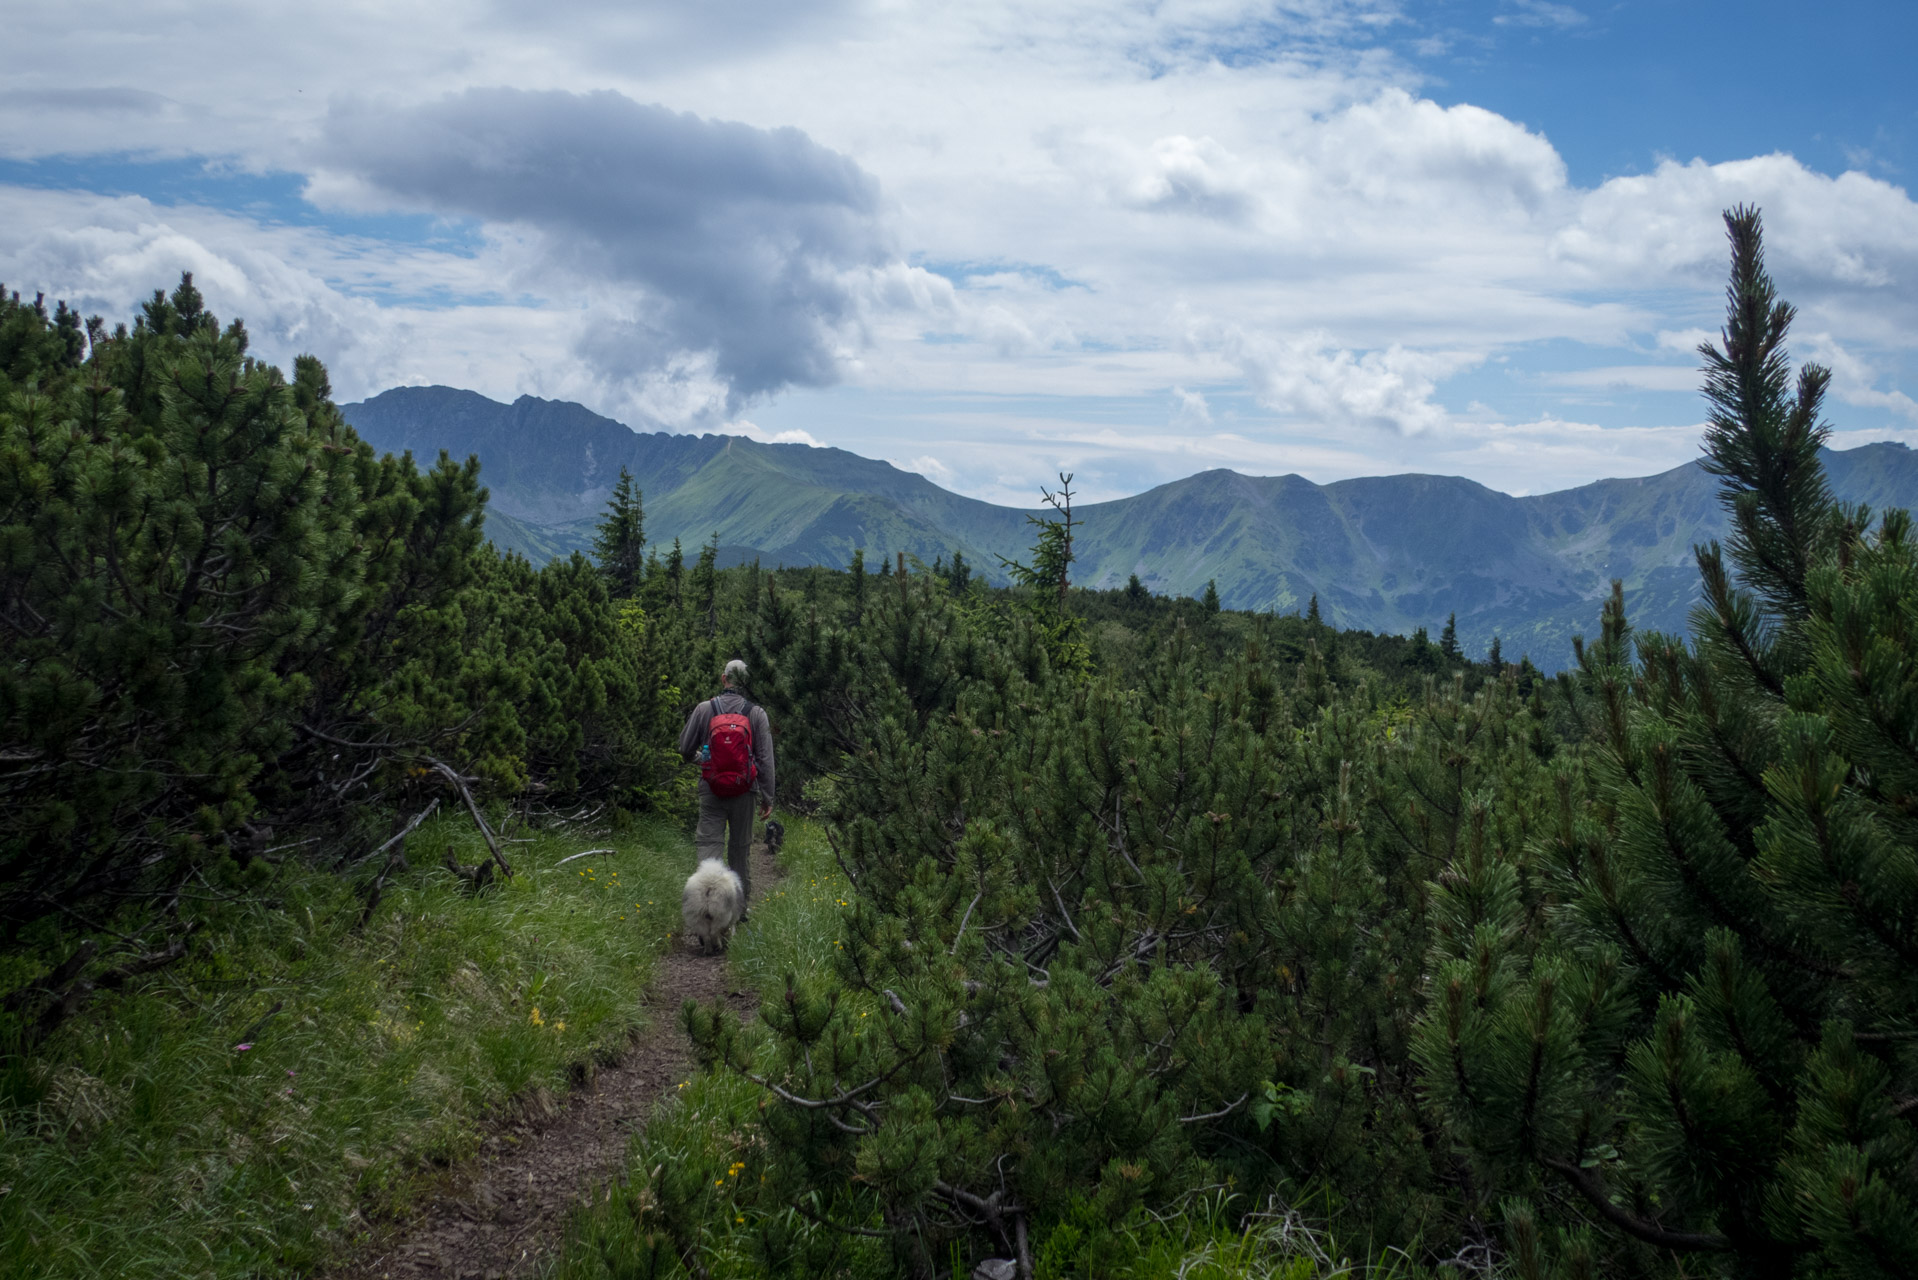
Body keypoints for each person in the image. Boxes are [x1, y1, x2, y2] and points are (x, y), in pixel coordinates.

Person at [678, 658, 775, 911]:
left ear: (723, 680)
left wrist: (702, 760)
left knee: (709, 848)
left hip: (711, 789)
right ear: (746, 682)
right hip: (745, 792)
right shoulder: (756, 713)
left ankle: (705, 908)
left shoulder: (704, 709)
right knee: (740, 850)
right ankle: (739, 910)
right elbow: (765, 759)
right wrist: (768, 797)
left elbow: (685, 749)